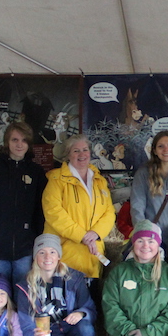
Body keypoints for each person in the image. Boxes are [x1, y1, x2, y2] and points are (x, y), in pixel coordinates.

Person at [14, 234, 98, 336]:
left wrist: (81, 313)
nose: (47, 257)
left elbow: (90, 309)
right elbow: (25, 323)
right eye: (42, 252)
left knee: (86, 328)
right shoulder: (25, 286)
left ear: (59, 255)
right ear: (35, 257)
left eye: (52, 252)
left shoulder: (74, 278)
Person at [42, 134, 115, 313]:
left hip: (92, 256)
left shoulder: (99, 180)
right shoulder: (56, 180)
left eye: (85, 150)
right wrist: (82, 236)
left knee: (89, 312)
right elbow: (54, 213)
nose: (81, 154)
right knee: (66, 311)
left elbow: (109, 212)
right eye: (76, 150)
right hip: (66, 257)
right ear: (68, 155)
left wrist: (96, 233)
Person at [0, 121, 47, 286]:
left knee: (23, 295)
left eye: (24, 140)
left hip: (25, 251)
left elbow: (41, 213)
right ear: (7, 142)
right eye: (15, 140)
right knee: (0, 298)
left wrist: (37, 246)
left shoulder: (36, 172)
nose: (19, 144)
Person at [130, 131, 168, 248]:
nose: (166, 149)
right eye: (160, 146)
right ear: (154, 150)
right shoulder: (143, 174)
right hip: (150, 239)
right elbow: (137, 206)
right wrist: (143, 232)